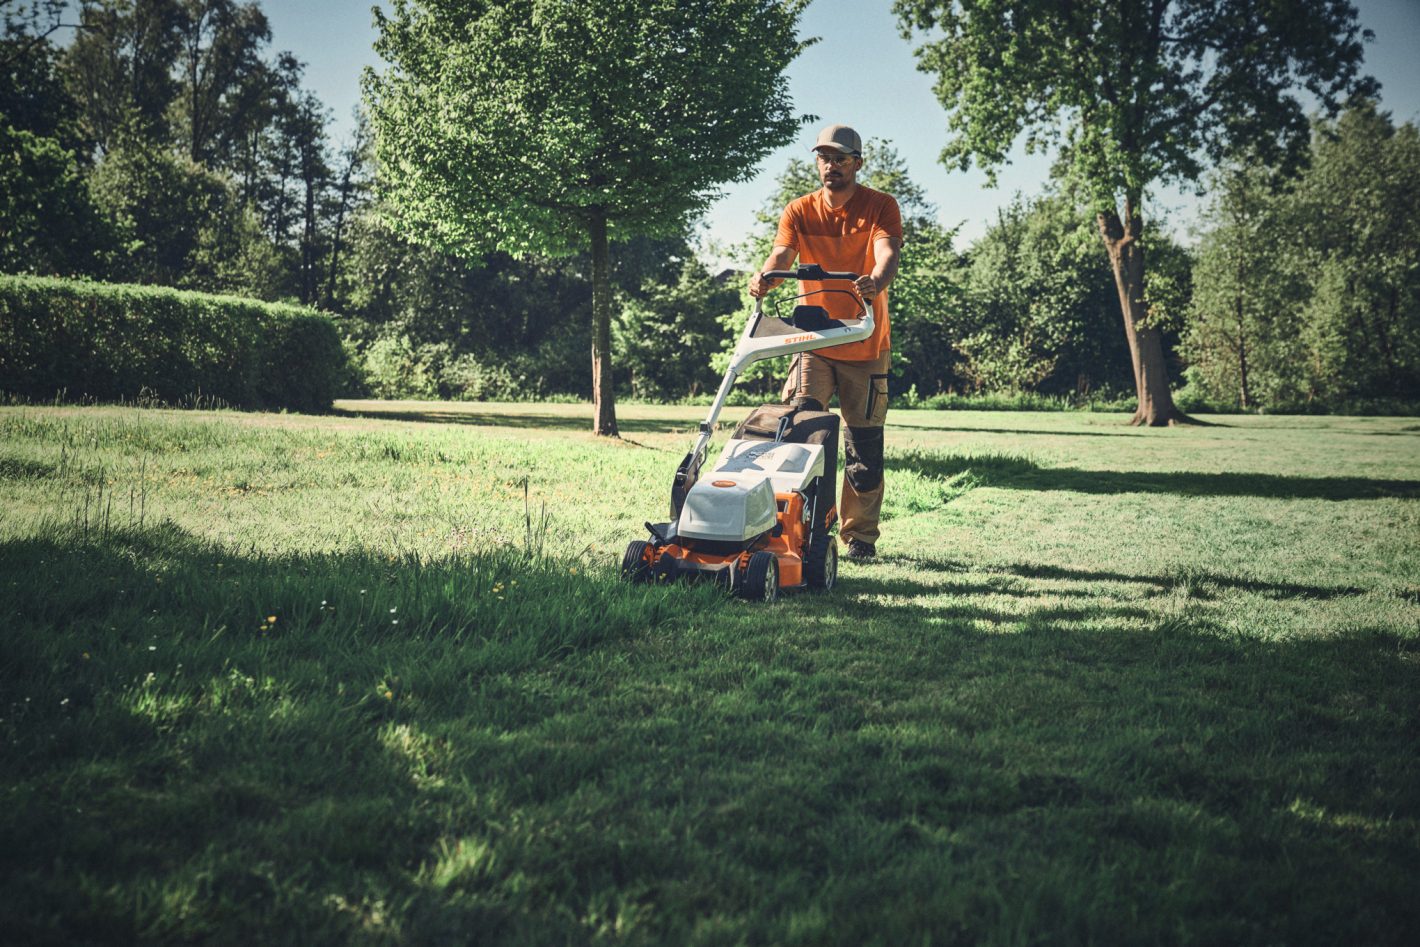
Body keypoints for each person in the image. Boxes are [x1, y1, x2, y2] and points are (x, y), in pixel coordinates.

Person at [749, 124, 903, 561]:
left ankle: (859, 538)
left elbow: (887, 253)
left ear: (857, 162)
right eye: (823, 158)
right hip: (813, 341)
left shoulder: (880, 206)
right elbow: (782, 255)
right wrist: (767, 277)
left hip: (865, 341)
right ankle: (792, 525)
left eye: (839, 158)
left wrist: (873, 282)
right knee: (797, 431)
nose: (830, 166)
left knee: (863, 446)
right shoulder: (799, 210)